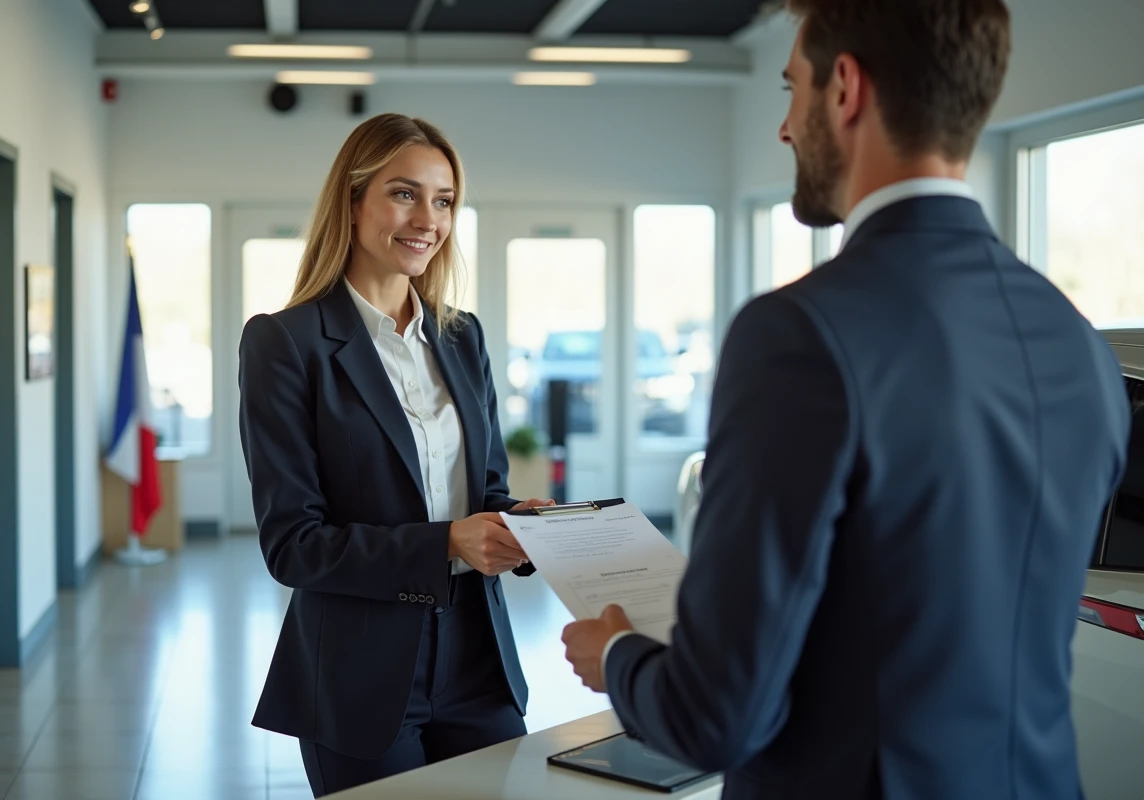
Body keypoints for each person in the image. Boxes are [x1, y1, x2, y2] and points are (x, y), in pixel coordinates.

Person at [562, 2, 1131, 798]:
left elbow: (716, 716)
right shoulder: (1079, 345)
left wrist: (617, 654)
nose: (785, 128)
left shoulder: (796, 337)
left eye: (791, 89)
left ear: (846, 90)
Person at [238, 112, 552, 796]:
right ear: (351, 203)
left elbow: (485, 493)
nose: (428, 219)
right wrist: (446, 543)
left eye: (443, 201)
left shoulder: (462, 337)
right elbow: (293, 544)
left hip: (478, 659)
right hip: (359, 672)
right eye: (404, 193)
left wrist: (518, 525)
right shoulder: (285, 344)